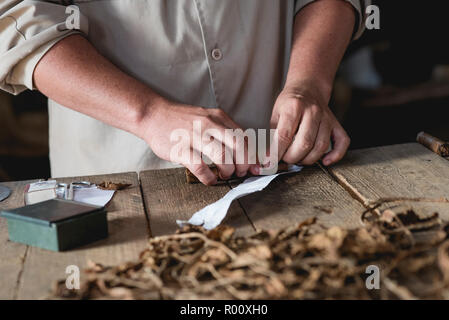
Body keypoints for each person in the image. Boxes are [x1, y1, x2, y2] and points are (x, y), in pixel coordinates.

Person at [0, 0, 369, 185]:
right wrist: (148, 113)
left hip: (282, 163)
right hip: (124, 172)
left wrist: (308, 83)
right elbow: (15, 16)